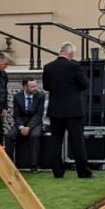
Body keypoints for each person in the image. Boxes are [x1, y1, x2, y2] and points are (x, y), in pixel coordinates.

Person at [42, 42, 93, 179]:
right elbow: (85, 84)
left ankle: (57, 172)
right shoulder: (74, 66)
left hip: (55, 110)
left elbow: (46, 87)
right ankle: (83, 171)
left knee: (55, 142)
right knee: (77, 142)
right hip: (73, 110)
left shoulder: (48, 67)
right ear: (70, 53)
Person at [5, 78, 45, 171]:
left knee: (35, 136)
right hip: (21, 123)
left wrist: (29, 127)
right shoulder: (17, 97)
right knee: (9, 136)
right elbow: (17, 115)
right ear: (25, 87)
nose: (35, 88)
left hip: (35, 123)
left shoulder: (40, 96)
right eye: (32, 87)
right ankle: (9, 164)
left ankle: (34, 165)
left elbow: (38, 115)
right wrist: (21, 127)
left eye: (35, 86)